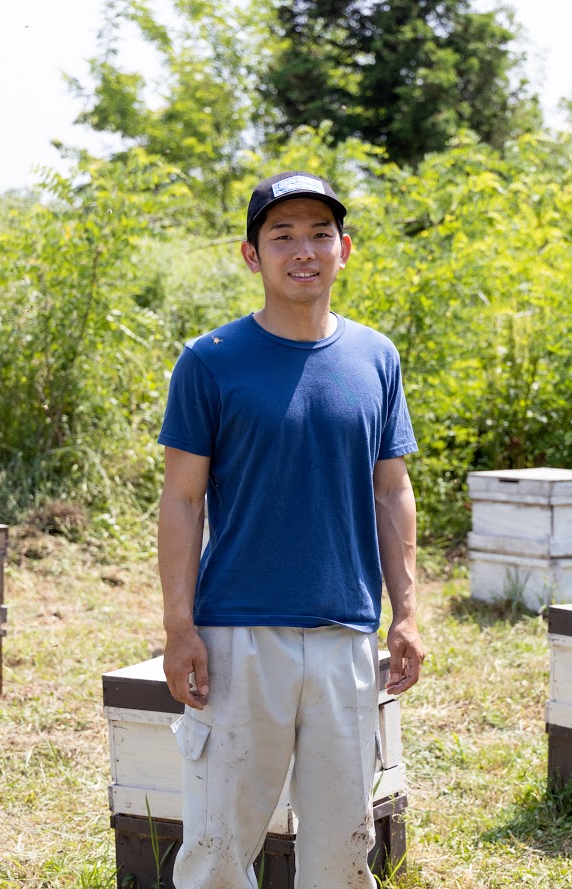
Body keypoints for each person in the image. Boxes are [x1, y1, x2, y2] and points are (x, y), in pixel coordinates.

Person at [155, 170, 425, 889]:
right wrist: (179, 626)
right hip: (239, 637)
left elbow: (391, 487)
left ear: (345, 249)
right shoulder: (210, 361)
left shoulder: (376, 358)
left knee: (342, 851)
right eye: (282, 236)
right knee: (216, 849)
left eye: (319, 234)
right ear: (252, 255)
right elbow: (181, 500)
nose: (303, 250)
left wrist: (409, 612)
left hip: (345, 636)